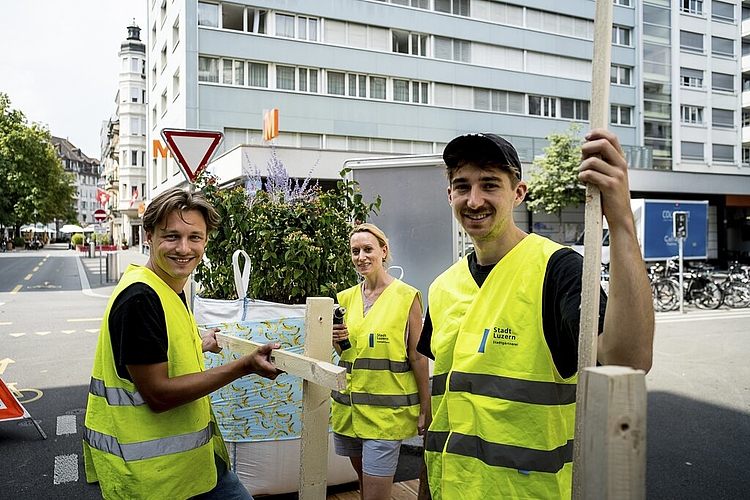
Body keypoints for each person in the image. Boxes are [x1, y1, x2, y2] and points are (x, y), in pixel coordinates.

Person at [417, 130, 654, 499]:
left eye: (490, 185)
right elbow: (443, 412)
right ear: (450, 196)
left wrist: (621, 220)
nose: (474, 199)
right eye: (462, 186)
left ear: (518, 193)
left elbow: (629, 360)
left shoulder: (557, 269)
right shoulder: (442, 286)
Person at [83, 187, 284, 500]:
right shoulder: (141, 298)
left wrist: (199, 343)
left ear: (206, 240)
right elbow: (159, 394)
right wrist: (243, 366)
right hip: (155, 480)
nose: (184, 248)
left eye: (195, 237)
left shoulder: (166, 287)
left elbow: (158, 349)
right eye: (171, 236)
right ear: (148, 236)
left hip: (192, 468)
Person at [331, 223, 431, 500]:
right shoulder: (345, 298)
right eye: (355, 251)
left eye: (367, 249)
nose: (361, 256)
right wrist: (336, 339)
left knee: (375, 495)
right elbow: (346, 354)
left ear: (383, 251)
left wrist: (426, 408)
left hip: (386, 415)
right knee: (365, 487)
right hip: (349, 410)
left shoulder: (406, 296)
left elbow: (418, 355)